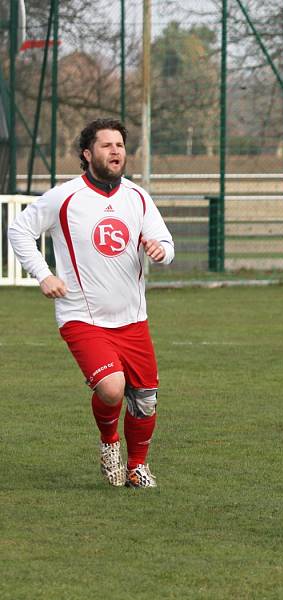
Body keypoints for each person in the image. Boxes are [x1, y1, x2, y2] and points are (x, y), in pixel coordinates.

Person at [8, 118, 174, 489]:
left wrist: (160, 251)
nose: (116, 151)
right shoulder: (64, 197)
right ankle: (109, 444)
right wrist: (43, 273)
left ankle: (137, 467)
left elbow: (167, 244)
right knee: (113, 388)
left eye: (119, 144)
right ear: (87, 154)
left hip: (133, 319)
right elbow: (19, 229)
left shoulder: (137, 196)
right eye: (106, 145)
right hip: (82, 317)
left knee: (145, 399)